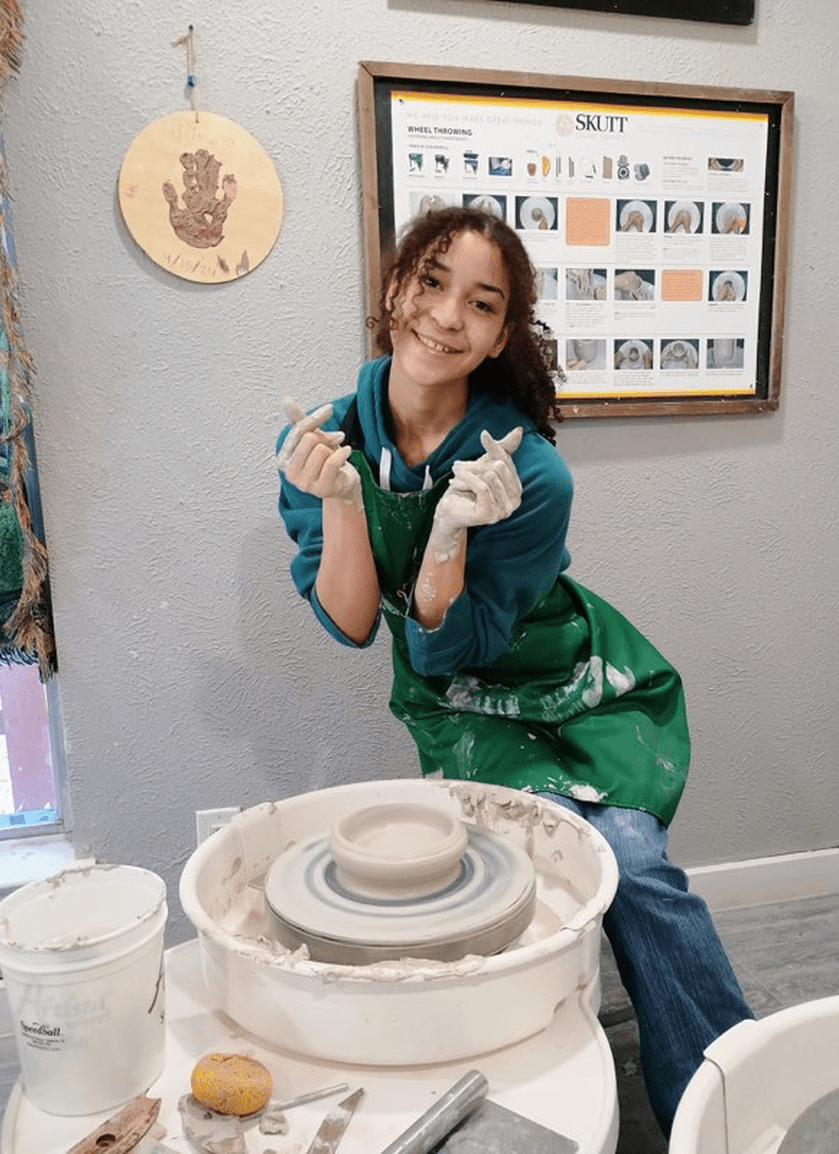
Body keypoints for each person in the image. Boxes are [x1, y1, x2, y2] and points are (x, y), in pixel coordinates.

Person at [276, 205, 751, 1137]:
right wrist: (342, 503)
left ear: (501, 335)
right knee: (520, 875)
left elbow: (466, 639)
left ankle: (725, 1105)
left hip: (580, 682)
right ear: (394, 289)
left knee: (632, 866)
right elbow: (356, 625)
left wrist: (454, 531)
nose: (447, 316)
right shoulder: (322, 442)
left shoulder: (529, 473)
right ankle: (519, 1098)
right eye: (432, 282)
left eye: (482, 303)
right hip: (461, 704)